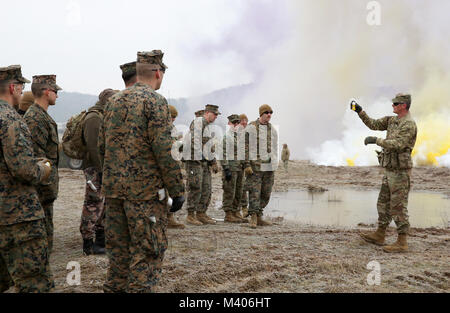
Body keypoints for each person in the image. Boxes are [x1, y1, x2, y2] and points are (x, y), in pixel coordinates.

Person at [102, 50, 185, 292]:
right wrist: (177, 190)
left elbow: (101, 147)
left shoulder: (113, 102)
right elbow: (165, 151)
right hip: (145, 196)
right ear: (158, 73)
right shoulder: (155, 101)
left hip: (114, 194)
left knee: (118, 257)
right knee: (146, 254)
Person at [0, 65, 54, 292]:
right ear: (13, 88)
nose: (22, 93)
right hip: (18, 217)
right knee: (34, 282)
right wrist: (44, 168)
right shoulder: (10, 120)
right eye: (21, 88)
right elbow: (25, 170)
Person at [353, 94, 417, 253]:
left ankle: (402, 242)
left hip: (401, 173)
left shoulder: (408, 124)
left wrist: (377, 141)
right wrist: (360, 112)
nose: (393, 105)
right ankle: (380, 234)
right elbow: (373, 124)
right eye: (393, 103)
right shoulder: (392, 121)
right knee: (383, 203)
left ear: (404, 105)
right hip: (389, 170)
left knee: (399, 207)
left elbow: (398, 144)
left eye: (396, 104)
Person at [24, 75, 62, 253]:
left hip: (45, 192)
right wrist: (47, 189)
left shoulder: (41, 116)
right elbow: (38, 159)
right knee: (41, 244)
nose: (57, 96)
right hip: (41, 192)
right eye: (55, 91)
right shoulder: (36, 119)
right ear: (47, 92)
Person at [80, 88, 117, 255]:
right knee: (93, 204)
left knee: (103, 204)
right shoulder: (94, 118)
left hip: (103, 167)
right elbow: (94, 148)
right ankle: (88, 242)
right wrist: (102, 170)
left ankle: (100, 239)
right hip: (95, 168)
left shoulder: (103, 116)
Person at [184, 104, 220, 226]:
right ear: (208, 112)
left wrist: (213, 161)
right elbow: (196, 141)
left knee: (206, 187)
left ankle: (201, 213)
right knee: (195, 186)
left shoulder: (207, 126)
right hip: (194, 160)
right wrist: (202, 156)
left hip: (203, 162)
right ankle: (190, 215)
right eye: (214, 114)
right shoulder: (199, 122)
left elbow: (209, 145)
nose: (216, 117)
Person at [244, 104, 278, 229]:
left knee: (266, 192)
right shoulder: (252, 127)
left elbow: (274, 146)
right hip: (255, 167)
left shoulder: (271, 129)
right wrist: (246, 164)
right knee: (255, 192)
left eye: (271, 112)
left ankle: (259, 215)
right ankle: (253, 216)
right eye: (267, 112)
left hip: (268, 167)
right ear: (261, 114)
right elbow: (245, 147)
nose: (269, 115)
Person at [221, 114, 248, 223]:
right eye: (234, 123)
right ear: (229, 124)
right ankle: (228, 214)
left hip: (239, 168)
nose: (236, 125)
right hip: (231, 168)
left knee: (239, 191)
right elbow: (223, 153)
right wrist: (226, 168)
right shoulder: (227, 137)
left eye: (238, 123)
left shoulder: (239, 137)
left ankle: (236, 211)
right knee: (229, 191)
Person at [167, 104, 185, 229]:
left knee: (171, 193)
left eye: (174, 117)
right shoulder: (161, 127)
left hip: (173, 164)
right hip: (166, 165)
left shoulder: (171, 128)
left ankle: (169, 217)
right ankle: (166, 218)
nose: (173, 119)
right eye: (171, 116)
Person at [238, 114, 250, 218]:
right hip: (238, 165)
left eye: (246, 120)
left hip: (248, 164)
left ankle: (246, 209)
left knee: (246, 187)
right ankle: (242, 209)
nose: (244, 122)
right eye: (242, 120)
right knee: (240, 187)